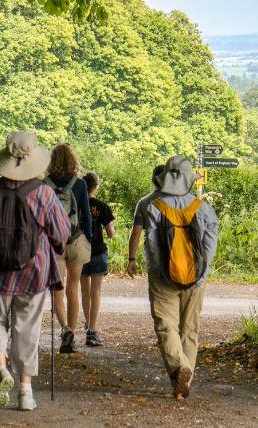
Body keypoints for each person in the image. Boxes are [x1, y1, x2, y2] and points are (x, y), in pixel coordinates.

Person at [0, 132, 69, 412]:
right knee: (26, 328)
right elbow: (62, 234)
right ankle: (25, 393)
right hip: (33, 272)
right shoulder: (43, 193)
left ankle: (1, 371)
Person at [126, 156, 219, 400]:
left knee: (165, 325)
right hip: (196, 278)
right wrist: (200, 273)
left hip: (162, 278)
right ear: (188, 180)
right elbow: (210, 246)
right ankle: (185, 376)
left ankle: (180, 368)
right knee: (190, 328)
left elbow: (155, 247)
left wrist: (159, 271)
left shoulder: (153, 206)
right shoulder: (203, 208)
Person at [46, 143, 92, 354]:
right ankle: (71, 335)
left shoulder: (43, 184)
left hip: (53, 243)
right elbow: (86, 215)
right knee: (73, 288)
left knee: (58, 289)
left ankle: (64, 328)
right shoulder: (81, 185)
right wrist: (88, 240)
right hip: (75, 240)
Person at [79, 171, 114, 347]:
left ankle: (88, 327)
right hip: (98, 251)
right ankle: (92, 330)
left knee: (84, 292)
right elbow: (111, 232)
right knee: (96, 292)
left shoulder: (77, 205)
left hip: (80, 252)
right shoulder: (101, 205)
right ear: (96, 186)